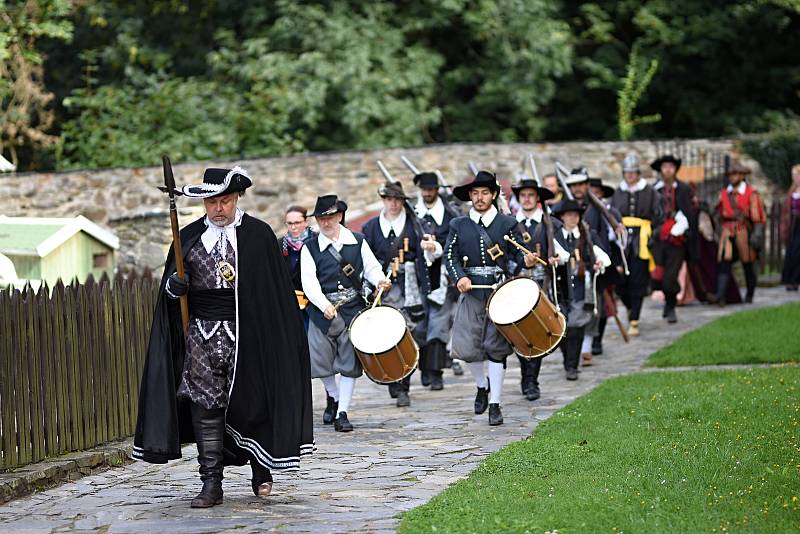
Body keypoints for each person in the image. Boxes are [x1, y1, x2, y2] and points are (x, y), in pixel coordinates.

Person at [134, 166, 314, 508]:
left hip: (250, 335)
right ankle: (211, 483)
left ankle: (262, 465)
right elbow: (169, 293)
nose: (219, 208)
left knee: (255, 402)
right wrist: (174, 289)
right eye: (212, 201)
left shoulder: (258, 236)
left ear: (237, 198)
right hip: (201, 334)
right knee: (205, 407)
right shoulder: (187, 237)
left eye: (226, 200)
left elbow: (274, 295)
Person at [445, 171, 538, 425]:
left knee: (496, 350)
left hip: (499, 293)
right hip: (471, 292)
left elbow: (518, 255)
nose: (479, 198)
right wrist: (459, 277)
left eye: (484, 192)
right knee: (468, 348)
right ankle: (481, 386)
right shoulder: (458, 225)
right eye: (475, 193)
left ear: (494, 194)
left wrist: (525, 260)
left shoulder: (506, 223)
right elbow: (450, 257)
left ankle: (495, 404)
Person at [300, 194, 392, 432]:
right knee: (319, 361)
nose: (326, 222)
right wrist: (323, 305)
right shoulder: (309, 248)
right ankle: (334, 395)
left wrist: (380, 280)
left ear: (339, 216)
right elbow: (308, 282)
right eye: (321, 218)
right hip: (323, 314)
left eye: (330, 217)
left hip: (353, 310)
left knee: (350, 362)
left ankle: (343, 412)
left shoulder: (358, 241)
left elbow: (372, 268)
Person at [362, 181, 431, 407]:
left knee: (406, 333)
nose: (393, 203)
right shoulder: (371, 228)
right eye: (389, 199)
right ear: (383, 200)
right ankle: (393, 378)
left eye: (397, 199)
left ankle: (404, 385)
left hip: (409, 286)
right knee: (385, 334)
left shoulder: (415, 225)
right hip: (383, 287)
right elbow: (365, 260)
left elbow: (426, 255)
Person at [551, 198, 611, 380]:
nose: (572, 218)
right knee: (561, 328)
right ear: (562, 216)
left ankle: (572, 365)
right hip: (559, 289)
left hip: (579, 289)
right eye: (569, 214)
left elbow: (603, 256)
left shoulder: (587, 235)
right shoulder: (553, 236)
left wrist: (599, 263)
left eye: (575, 214)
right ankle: (568, 360)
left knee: (576, 327)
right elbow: (551, 256)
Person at [510, 175, 558, 400]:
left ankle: (532, 380)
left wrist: (557, 258)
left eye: (531, 195)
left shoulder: (550, 223)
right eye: (523, 196)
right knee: (519, 331)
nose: (527, 199)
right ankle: (525, 374)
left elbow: (562, 249)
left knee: (538, 332)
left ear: (537, 198)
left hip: (542, 284)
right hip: (517, 283)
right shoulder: (509, 224)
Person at [413, 171, 461, 390]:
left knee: (439, 325)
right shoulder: (412, 214)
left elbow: (454, 243)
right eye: (424, 189)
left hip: (442, 276)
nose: (427, 193)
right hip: (417, 276)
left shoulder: (450, 215)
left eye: (431, 189)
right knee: (421, 324)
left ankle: (436, 373)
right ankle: (425, 368)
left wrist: (438, 249)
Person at [611, 153, 663, 336]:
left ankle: (635, 320)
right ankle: (630, 307)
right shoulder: (618, 192)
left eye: (633, 172)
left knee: (638, 280)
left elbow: (658, 216)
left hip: (642, 240)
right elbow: (612, 215)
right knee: (620, 283)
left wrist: (652, 237)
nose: (630, 175)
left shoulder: (650, 192)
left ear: (638, 173)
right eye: (627, 172)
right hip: (622, 241)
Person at [651, 154, 696, 323]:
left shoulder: (684, 189)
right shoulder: (654, 190)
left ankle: (670, 307)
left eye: (671, 166)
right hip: (658, 238)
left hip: (677, 241)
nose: (668, 169)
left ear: (675, 169)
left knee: (671, 275)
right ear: (661, 170)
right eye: (665, 167)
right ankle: (666, 300)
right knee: (658, 274)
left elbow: (692, 211)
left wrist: (683, 226)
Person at [715, 160, 766, 304]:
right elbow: (718, 213)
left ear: (743, 175)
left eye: (736, 174)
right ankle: (721, 296)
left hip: (744, 231)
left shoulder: (751, 193)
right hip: (727, 231)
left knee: (747, 264)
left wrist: (756, 234)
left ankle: (749, 295)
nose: (732, 176)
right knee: (724, 263)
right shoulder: (724, 193)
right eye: (730, 174)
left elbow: (758, 217)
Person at [281, 206, 314, 329]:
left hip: (316, 302)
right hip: (292, 303)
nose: (293, 227)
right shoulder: (279, 245)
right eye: (290, 223)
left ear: (306, 222)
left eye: (297, 223)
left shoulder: (317, 240)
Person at [781, 164, 800, 291]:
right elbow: (786, 210)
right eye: (793, 175)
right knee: (791, 252)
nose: (794, 177)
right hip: (793, 224)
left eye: (796, 174)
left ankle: (796, 279)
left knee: (798, 253)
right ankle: (790, 280)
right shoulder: (792, 191)